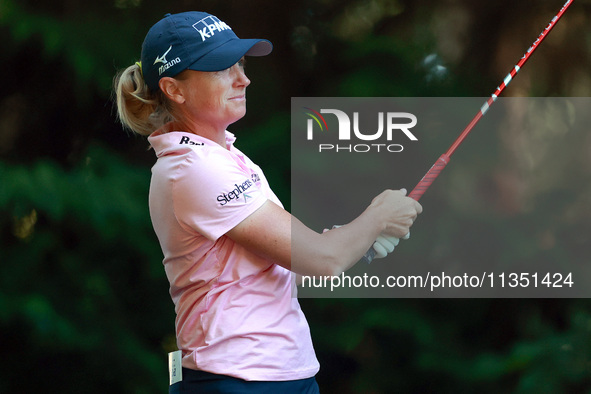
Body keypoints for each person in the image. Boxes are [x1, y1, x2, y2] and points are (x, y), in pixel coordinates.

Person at [113, 11, 422, 394]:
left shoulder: (225, 157)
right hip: (238, 380)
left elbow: (289, 264)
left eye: (239, 64)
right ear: (174, 89)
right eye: (221, 69)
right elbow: (322, 260)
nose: (243, 78)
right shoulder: (194, 168)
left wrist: (356, 240)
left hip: (279, 374)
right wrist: (377, 217)